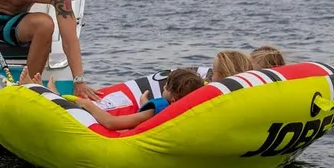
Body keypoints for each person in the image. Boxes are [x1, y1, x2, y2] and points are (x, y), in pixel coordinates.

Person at [19, 66, 204, 131]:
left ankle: (46, 94)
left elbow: (112, 123)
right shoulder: (189, 111)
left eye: (165, 87)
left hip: (120, 134)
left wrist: (86, 104)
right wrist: (143, 105)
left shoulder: (159, 107)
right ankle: (51, 93)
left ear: (171, 95)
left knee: (85, 113)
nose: (162, 89)